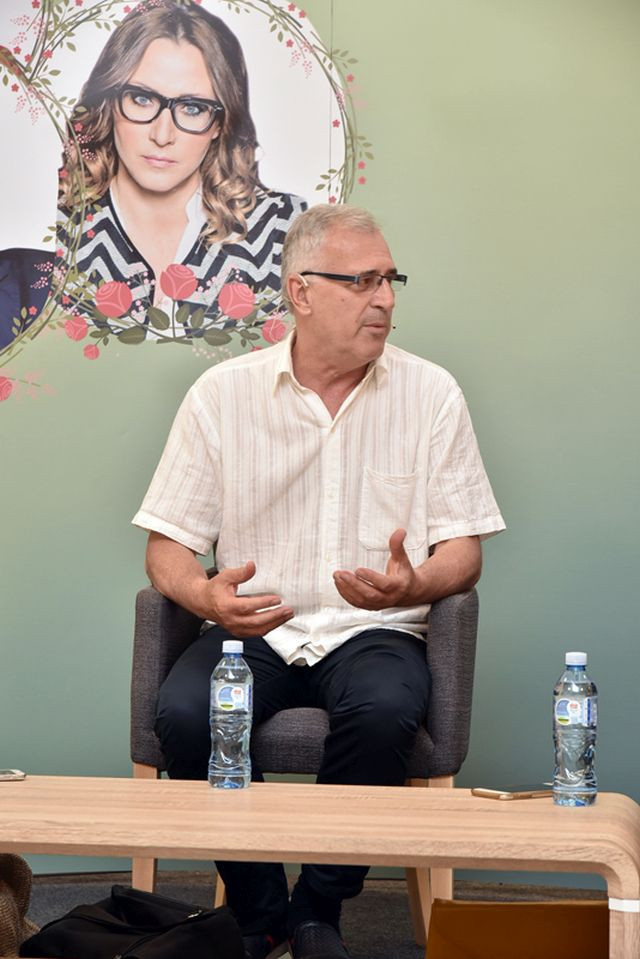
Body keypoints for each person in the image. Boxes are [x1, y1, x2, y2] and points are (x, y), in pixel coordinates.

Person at [132, 204, 505, 959]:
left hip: (375, 630)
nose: (385, 299)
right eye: (362, 281)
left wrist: (413, 585)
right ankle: (262, 908)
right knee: (186, 713)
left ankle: (318, 910)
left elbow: (464, 553)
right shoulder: (222, 395)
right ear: (301, 292)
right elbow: (166, 548)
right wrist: (204, 596)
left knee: (385, 711)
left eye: (390, 280)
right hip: (256, 626)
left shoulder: (431, 394)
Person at [1, 0, 305, 347]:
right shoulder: (44, 234)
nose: (162, 135)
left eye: (193, 108)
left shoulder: (282, 231)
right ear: (109, 102)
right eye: (142, 99)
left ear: (221, 123)